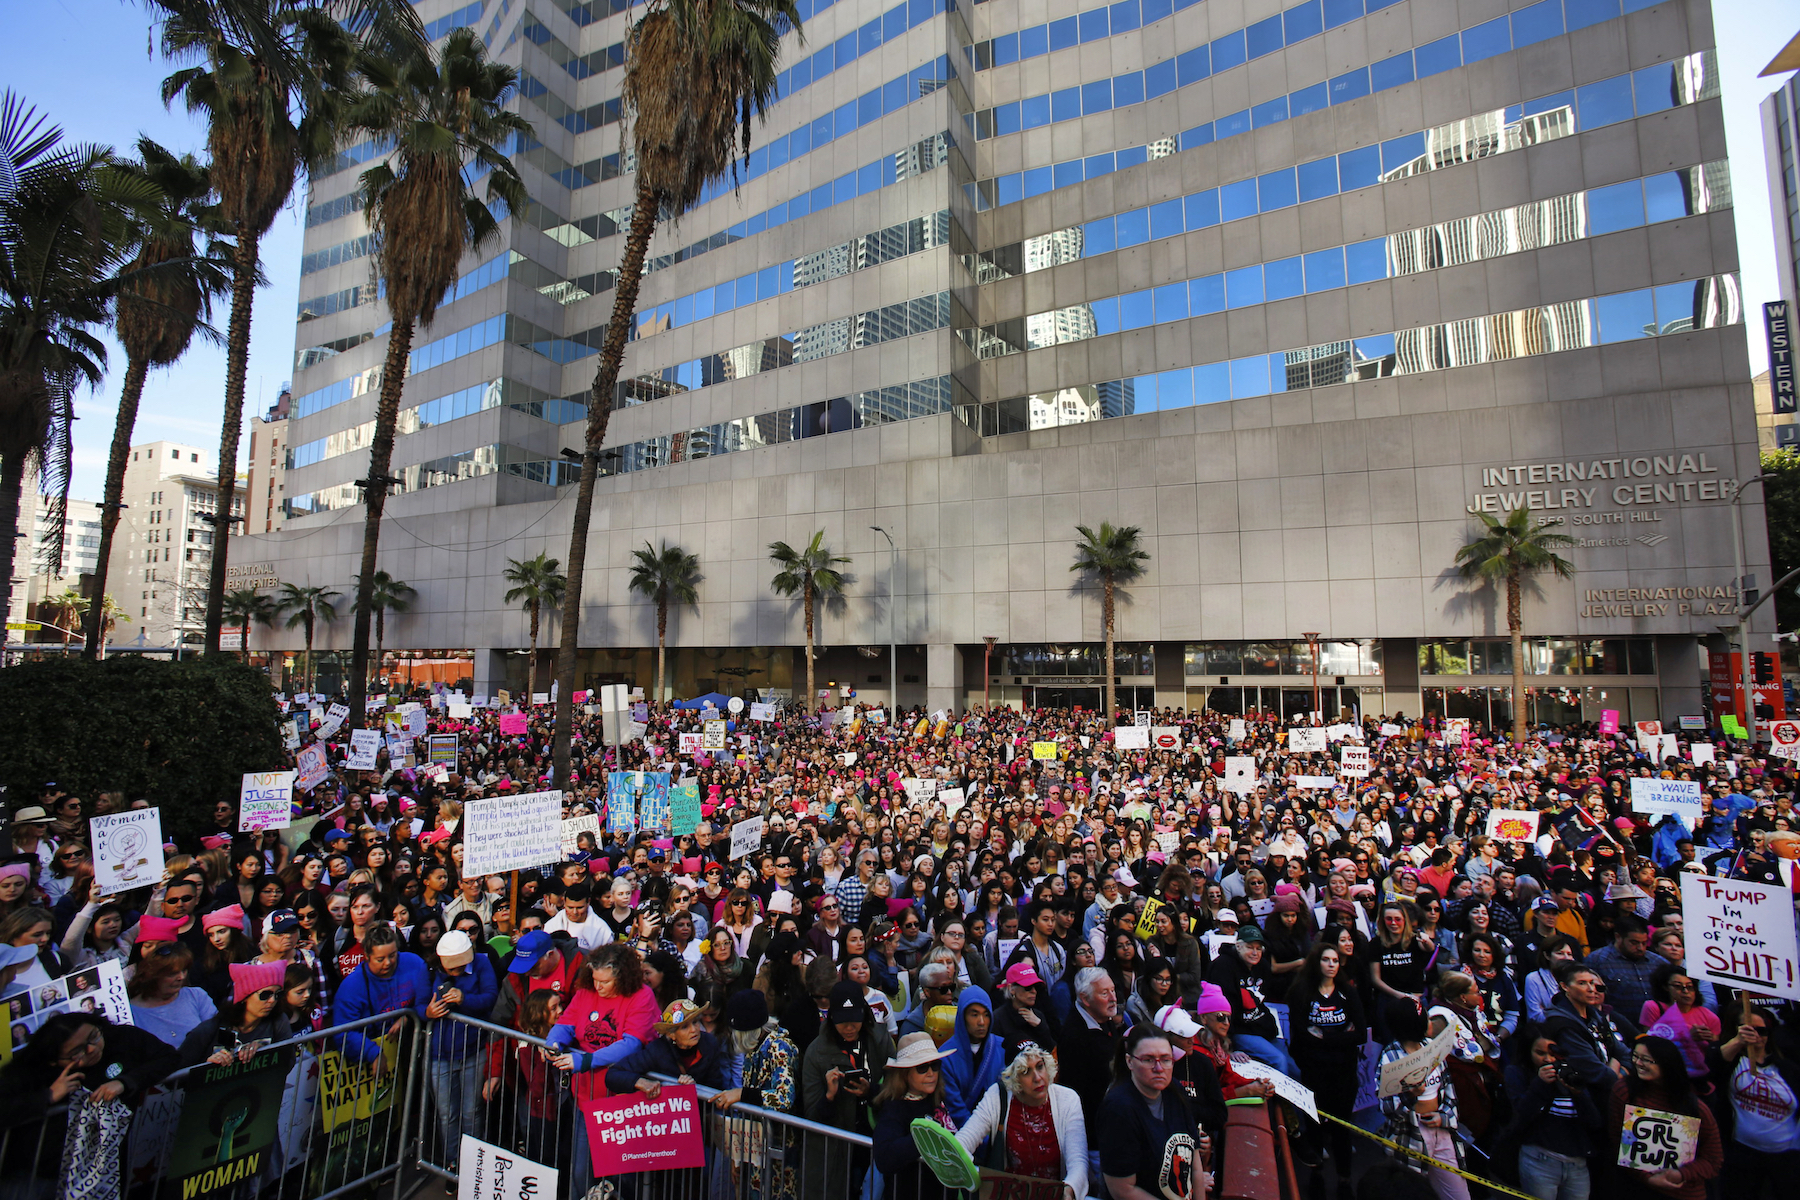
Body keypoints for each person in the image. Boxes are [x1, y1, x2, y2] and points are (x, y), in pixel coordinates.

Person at [548, 942, 664, 1194]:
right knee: (581, 1171)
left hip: (623, 1104)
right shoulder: (586, 991)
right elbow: (566, 1023)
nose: (598, 986)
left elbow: (631, 1044)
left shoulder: (641, 996)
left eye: (605, 981)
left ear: (621, 977)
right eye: (595, 979)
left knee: (621, 1178)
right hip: (587, 1099)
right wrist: (552, 1043)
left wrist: (585, 1060)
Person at [0, 1011, 180, 1128]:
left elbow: (169, 1057)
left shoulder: (122, 1036)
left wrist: (126, 1082)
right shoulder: (28, 1073)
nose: (91, 1049)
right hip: (48, 1171)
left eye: (93, 1036)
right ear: (54, 1060)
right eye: (77, 1051)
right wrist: (48, 1096)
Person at [955, 1041, 1089, 1196]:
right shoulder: (997, 1096)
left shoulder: (1067, 1099)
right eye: (1026, 1072)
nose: (1038, 1078)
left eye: (1040, 1066)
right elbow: (964, 1141)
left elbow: (1078, 1162)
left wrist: (1069, 1190)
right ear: (1014, 1078)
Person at [1289, 940, 1366, 1200]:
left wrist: (1325, 1038)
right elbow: (1300, 1036)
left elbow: (1360, 1034)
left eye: (1335, 960)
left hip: (1344, 1073)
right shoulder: (1302, 992)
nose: (1331, 965)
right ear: (1317, 962)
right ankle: (1317, 1176)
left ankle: (1345, 1180)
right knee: (1315, 1127)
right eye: (1326, 960)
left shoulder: (1347, 990)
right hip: (1314, 1072)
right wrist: (1340, 1035)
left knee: (1342, 1130)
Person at [1100, 1024, 1210, 1200]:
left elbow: (1194, 1162)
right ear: (1130, 1061)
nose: (1159, 1068)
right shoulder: (1119, 1109)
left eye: (1166, 1059)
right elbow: (1122, 1190)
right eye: (1148, 1060)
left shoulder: (1174, 1090)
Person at [801, 979, 891, 1191]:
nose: (849, 1028)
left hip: (874, 1139)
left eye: (855, 1020)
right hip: (835, 1149)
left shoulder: (880, 1040)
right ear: (832, 1017)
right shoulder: (816, 1052)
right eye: (843, 1021)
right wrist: (829, 1096)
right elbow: (811, 1115)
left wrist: (871, 1092)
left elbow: (898, 1087)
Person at [1498, 1026, 1604, 1200]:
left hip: (1577, 1164)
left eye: (1553, 1054)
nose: (1548, 1059)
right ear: (1528, 1052)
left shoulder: (1570, 1072)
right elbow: (1521, 1113)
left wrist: (1578, 1093)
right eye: (1540, 1053)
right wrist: (1540, 1084)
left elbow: (1594, 1122)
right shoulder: (1517, 1073)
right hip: (1539, 1160)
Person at [1610, 1035, 1722, 1200]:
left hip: (1684, 1192)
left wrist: (1681, 1174)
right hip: (1636, 1188)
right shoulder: (1625, 1091)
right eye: (1636, 1057)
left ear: (1667, 1064)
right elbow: (1615, 1141)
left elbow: (1713, 1160)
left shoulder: (1696, 1108)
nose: (1639, 1063)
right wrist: (1646, 1177)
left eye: (1647, 1060)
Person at [1379, 997, 1468, 1200]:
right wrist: (1410, 1096)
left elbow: (1449, 1089)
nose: (1430, 1024)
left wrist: (1443, 1116)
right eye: (1425, 1019)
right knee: (1410, 1193)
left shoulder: (1433, 1047)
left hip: (1441, 1132)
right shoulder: (1390, 1057)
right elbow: (1387, 1107)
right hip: (1410, 1136)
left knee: (1459, 1195)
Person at [1707, 1001, 1800, 1197]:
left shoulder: (1787, 1066)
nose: (1756, 1035)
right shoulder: (1730, 1061)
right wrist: (1738, 1042)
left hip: (1786, 1157)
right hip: (1742, 1155)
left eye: (1761, 1030)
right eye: (1749, 1030)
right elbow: (1713, 1065)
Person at [424, 928, 499, 1162]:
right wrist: (427, 1012)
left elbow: (490, 997)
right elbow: (416, 1003)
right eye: (451, 968)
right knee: (447, 1114)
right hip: (439, 1054)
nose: (456, 972)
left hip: (473, 1050)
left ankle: (473, 1163)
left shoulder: (482, 964)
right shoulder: (428, 971)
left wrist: (465, 999)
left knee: (472, 1112)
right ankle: (452, 1161)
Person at [1059, 965, 1126, 1190]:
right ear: (1084, 999)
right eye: (1104, 993)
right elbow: (1075, 1094)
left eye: (1113, 990)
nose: (1113, 998)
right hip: (1094, 1139)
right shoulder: (1075, 1037)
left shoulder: (1103, 1019)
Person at [330, 923, 432, 1067]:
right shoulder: (351, 987)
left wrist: (408, 1017)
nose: (388, 963)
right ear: (367, 956)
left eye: (392, 955)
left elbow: (428, 999)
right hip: (371, 1059)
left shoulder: (414, 963)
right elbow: (344, 1032)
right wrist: (372, 1053)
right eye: (380, 959)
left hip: (413, 1049)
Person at [1206, 925, 1296, 1075]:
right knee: (1278, 1060)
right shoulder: (1222, 967)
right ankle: (1276, 1098)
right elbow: (1219, 1011)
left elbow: (1270, 991)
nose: (1255, 952)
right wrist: (1228, 1047)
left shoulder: (1263, 966)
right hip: (1238, 1030)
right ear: (1238, 946)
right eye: (1250, 947)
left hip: (1263, 1026)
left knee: (1294, 1070)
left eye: (1259, 948)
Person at [179, 960, 294, 1067]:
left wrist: (266, 1051)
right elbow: (178, 1074)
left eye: (278, 994)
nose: (272, 1000)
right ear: (245, 996)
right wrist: (207, 1067)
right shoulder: (209, 1029)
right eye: (265, 995)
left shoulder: (278, 1021)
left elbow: (289, 1061)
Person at [605, 998, 727, 1096]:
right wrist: (642, 1082)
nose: (694, 1030)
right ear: (671, 1034)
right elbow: (614, 1075)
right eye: (685, 1027)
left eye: (695, 1022)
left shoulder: (709, 1044)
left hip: (697, 1116)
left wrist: (695, 1089)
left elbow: (715, 1086)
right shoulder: (657, 1050)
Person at [127, 941, 218, 1049]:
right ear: (154, 975)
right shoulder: (131, 1012)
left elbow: (218, 1036)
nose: (181, 977)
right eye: (173, 973)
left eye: (184, 970)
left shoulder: (197, 996)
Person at [1581, 915, 1668, 1018]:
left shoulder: (1659, 963)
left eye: (1644, 943)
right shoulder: (1597, 960)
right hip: (1617, 1023)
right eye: (1634, 943)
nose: (1640, 948)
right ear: (1618, 937)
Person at [993, 960, 1057, 1056]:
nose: (1034, 991)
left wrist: (1040, 1026)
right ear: (1011, 989)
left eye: (1036, 987)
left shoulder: (1038, 1015)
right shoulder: (998, 1018)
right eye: (1028, 987)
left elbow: (1051, 1050)